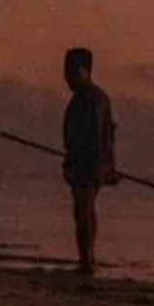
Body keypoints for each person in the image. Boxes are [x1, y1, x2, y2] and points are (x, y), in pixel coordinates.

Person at [60, 47, 118, 275]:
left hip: (88, 164)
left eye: (70, 72)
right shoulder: (87, 98)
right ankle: (86, 259)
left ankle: (87, 260)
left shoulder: (93, 99)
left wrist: (101, 162)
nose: (66, 77)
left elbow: (102, 135)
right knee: (85, 210)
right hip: (83, 163)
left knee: (84, 210)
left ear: (84, 71)